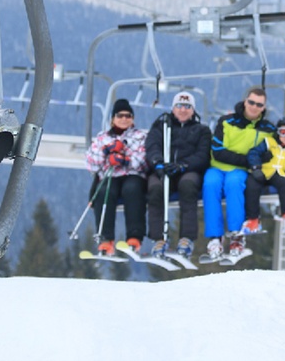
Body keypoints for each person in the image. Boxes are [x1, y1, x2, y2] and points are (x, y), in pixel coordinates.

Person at [202, 87, 275, 259]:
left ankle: (237, 234)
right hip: (217, 166)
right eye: (251, 102)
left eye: (259, 104)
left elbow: (269, 153)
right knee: (210, 184)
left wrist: (250, 163)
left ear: (263, 108)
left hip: (240, 171)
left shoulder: (268, 129)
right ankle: (215, 237)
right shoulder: (226, 122)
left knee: (234, 184)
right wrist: (247, 160)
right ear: (245, 102)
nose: (254, 107)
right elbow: (218, 150)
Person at [145, 91, 211, 259]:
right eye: (179, 106)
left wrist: (183, 165)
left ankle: (186, 238)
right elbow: (152, 145)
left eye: (187, 106)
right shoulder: (162, 126)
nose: (183, 110)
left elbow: (202, 155)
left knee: (188, 187)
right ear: (173, 108)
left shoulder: (201, 130)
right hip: (163, 168)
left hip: (186, 170)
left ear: (193, 110)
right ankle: (158, 238)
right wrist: (157, 163)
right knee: (155, 189)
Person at [85, 98, 149, 256]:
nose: (124, 119)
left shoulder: (140, 136)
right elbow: (91, 164)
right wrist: (105, 152)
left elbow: (144, 160)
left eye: (128, 116)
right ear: (113, 118)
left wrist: (125, 160)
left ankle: (134, 236)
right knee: (104, 192)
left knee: (132, 190)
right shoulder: (102, 138)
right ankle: (106, 239)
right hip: (110, 174)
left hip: (132, 174)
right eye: (120, 116)